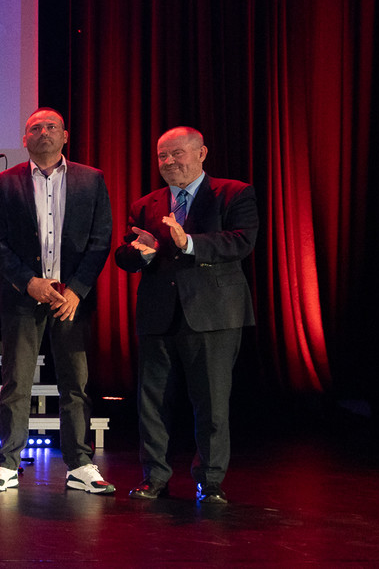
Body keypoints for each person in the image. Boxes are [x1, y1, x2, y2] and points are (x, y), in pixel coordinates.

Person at [116, 126, 258, 504]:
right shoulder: (145, 204)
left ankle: (210, 481)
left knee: (211, 402)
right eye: (162, 155)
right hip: (158, 314)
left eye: (177, 153)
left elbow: (242, 241)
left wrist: (189, 242)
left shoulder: (234, 193)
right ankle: (154, 477)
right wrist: (139, 254)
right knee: (152, 403)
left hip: (214, 314)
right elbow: (126, 255)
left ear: (201, 153)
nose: (168, 161)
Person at [0, 109, 114, 494]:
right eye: (35, 128)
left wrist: (76, 290)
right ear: (24, 139)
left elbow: (100, 240)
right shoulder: (5, 183)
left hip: (71, 299)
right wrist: (29, 282)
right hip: (23, 296)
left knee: (75, 383)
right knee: (16, 382)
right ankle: (7, 462)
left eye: (51, 126)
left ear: (65, 135)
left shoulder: (91, 180)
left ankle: (80, 463)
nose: (44, 132)